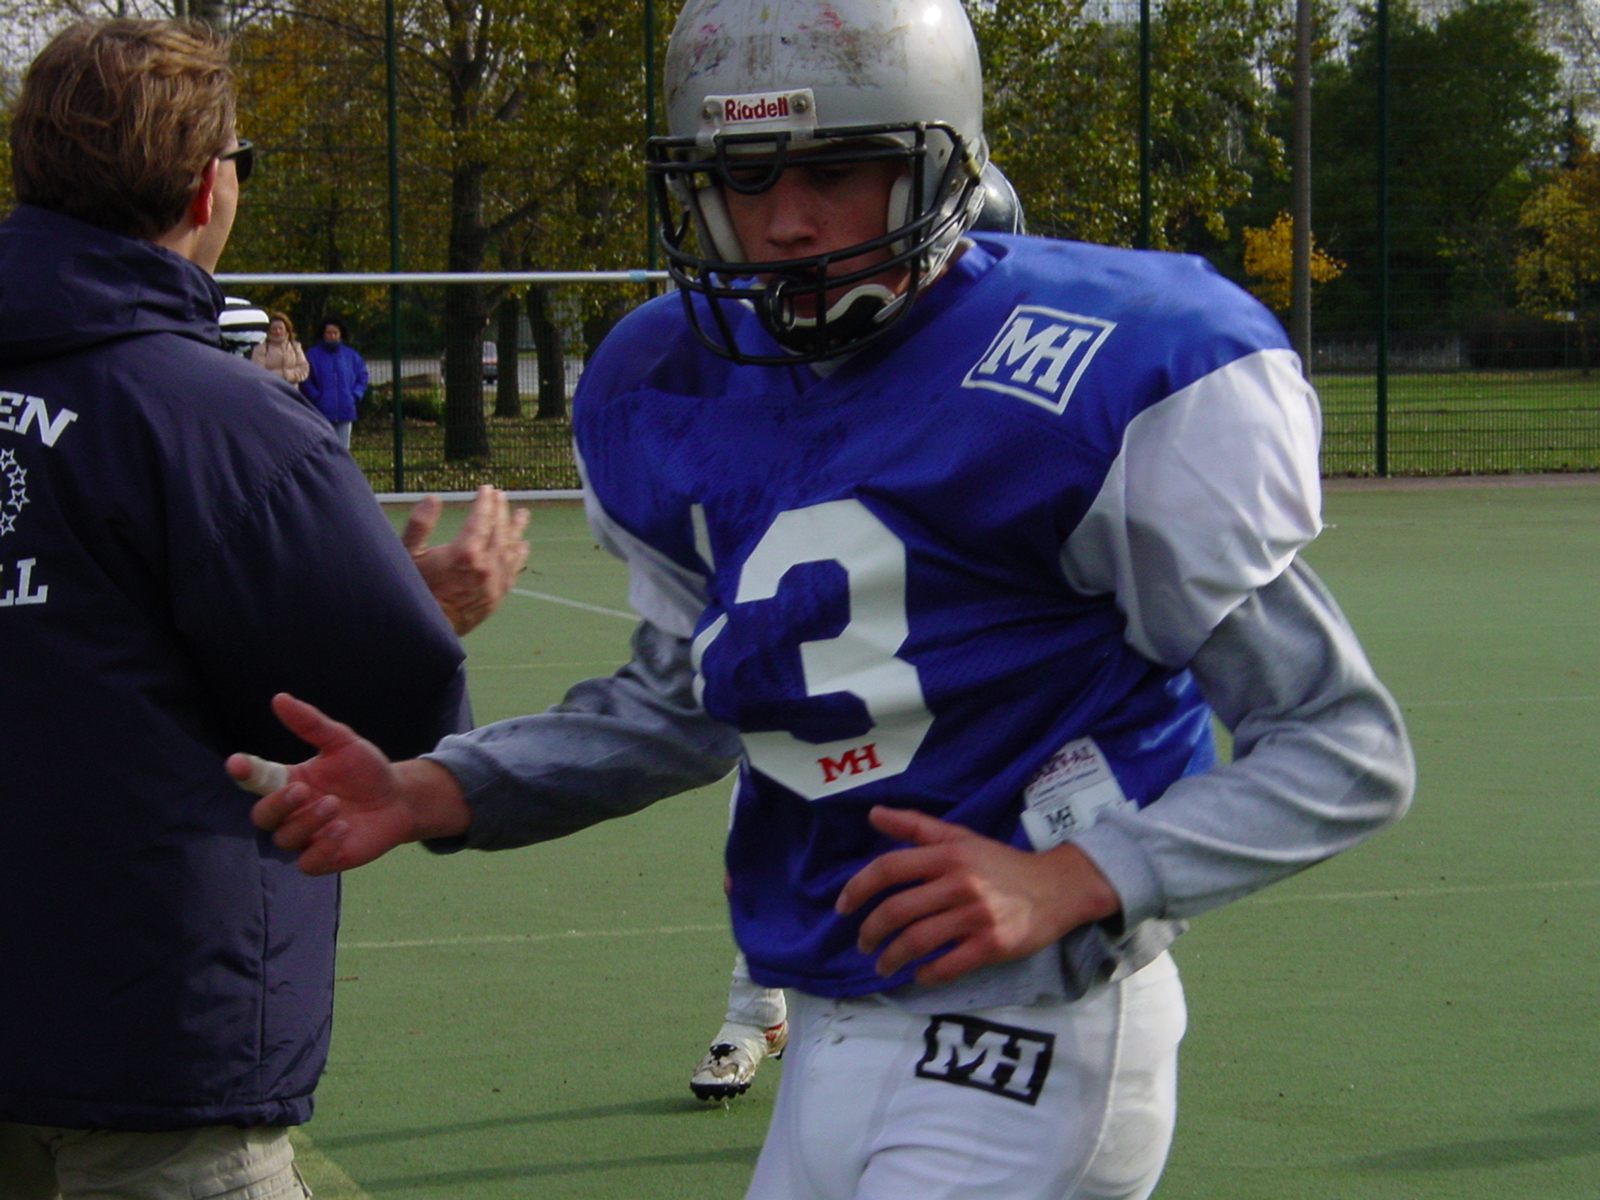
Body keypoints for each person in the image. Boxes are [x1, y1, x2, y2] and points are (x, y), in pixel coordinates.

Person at [245, 1, 1415, 1197]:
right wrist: (435, 787)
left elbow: (1343, 750)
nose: (786, 220)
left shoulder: (1100, 361)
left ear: (939, 167)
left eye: (837, 170)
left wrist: (1078, 875)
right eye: (745, 177)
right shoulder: (671, 377)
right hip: (829, 1015)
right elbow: (688, 702)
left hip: (1036, 1022)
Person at [0, 19, 522, 1200]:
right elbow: (371, 719)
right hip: (142, 1034)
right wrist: (426, 617)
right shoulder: (220, 422)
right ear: (207, 185)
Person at [687, 157, 1030, 1103]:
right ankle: (756, 1010)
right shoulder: (803, 392)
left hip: (961, 711)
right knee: (777, 846)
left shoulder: (1017, 410)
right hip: (829, 688)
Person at [301, 314, 367, 447]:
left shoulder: (351, 355)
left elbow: (362, 376)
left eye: (335, 333)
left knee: (343, 449)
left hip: (345, 410)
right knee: (325, 448)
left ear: (340, 334)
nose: (332, 336)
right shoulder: (312, 355)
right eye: (329, 333)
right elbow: (305, 378)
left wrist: (355, 395)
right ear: (323, 334)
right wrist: (316, 396)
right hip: (322, 411)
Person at [250, 309, 311, 384]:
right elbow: (258, 372)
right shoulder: (260, 349)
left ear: (286, 329)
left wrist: (287, 375)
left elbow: (304, 369)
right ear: (269, 330)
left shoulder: (295, 347)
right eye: (274, 329)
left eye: (280, 328)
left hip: (291, 389)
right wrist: (279, 375)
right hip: (269, 388)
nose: (278, 331)